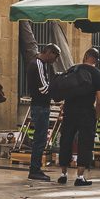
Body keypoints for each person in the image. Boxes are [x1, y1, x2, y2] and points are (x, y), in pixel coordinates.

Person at [56, 47, 100, 188]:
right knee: (85, 143)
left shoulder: (73, 69)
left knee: (66, 140)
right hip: (86, 112)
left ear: (85, 56)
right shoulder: (98, 75)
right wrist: (96, 116)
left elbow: (65, 89)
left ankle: (63, 174)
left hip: (70, 110)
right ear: (97, 60)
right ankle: (79, 177)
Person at [27, 43, 59, 181]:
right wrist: (57, 87)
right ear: (49, 52)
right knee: (39, 140)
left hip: (41, 106)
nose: (55, 60)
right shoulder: (38, 64)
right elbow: (44, 89)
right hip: (40, 107)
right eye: (55, 56)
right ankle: (34, 170)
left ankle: (36, 169)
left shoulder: (42, 64)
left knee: (40, 139)